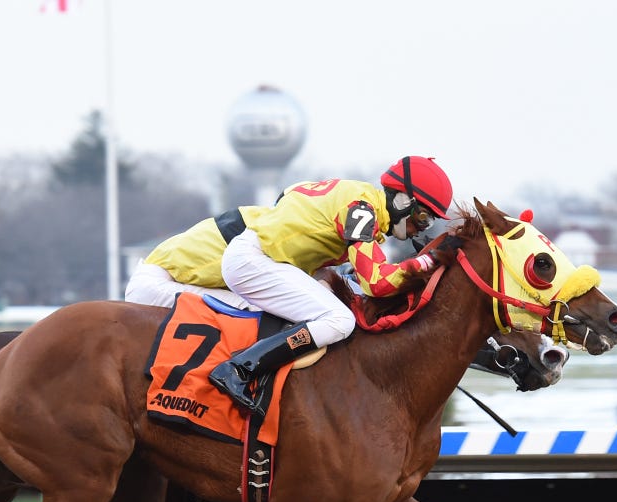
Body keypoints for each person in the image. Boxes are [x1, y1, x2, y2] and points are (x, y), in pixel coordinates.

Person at [125, 156, 453, 414]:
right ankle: (238, 372)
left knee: (303, 308)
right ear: (402, 201)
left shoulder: (354, 200)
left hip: (240, 260)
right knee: (338, 320)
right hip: (165, 281)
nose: (420, 229)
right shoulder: (362, 209)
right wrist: (429, 261)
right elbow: (377, 283)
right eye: (423, 218)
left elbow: (289, 194)